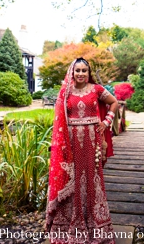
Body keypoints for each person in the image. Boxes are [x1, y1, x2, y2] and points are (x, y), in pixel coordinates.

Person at [46, 57, 118, 244]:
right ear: (72, 72)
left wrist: (106, 122)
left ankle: (95, 225)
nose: (80, 74)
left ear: (88, 73)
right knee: (74, 180)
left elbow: (114, 103)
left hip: (92, 141)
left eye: (84, 70)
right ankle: (72, 225)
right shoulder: (65, 92)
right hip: (70, 144)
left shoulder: (96, 90)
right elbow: (59, 119)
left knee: (92, 181)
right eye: (77, 70)